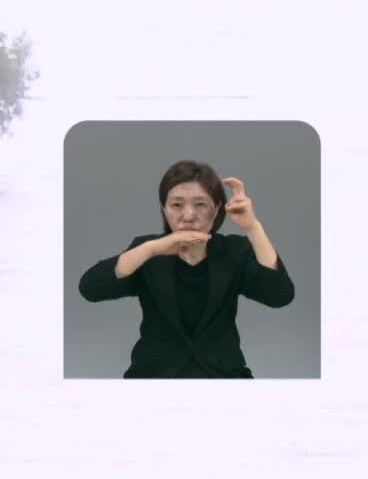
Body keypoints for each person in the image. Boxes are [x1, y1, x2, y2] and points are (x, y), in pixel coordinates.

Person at [77, 159, 294, 377]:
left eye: (200, 204)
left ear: (217, 209)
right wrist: (151, 249)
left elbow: (279, 295)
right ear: (164, 209)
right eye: (176, 205)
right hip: (153, 378)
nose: (188, 216)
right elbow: (90, 289)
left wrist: (253, 227)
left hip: (223, 376)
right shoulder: (146, 252)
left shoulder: (234, 251)